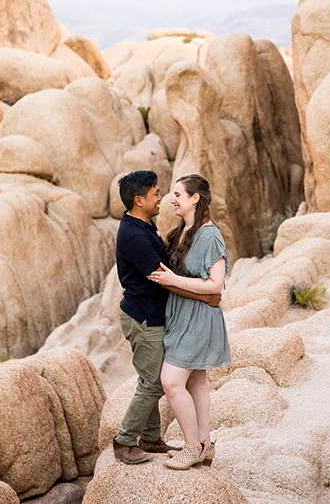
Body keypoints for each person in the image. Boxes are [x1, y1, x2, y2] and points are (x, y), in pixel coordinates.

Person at [112, 170, 221, 464]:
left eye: (169, 192)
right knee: (154, 382)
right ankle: (124, 442)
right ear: (139, 200)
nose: (161, 197)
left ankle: (150, 439)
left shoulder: (144, 224)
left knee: (156, 378)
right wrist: (207, 295)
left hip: (155, 315)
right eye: (156, 193)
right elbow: (165, 279)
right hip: (144, 317)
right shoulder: (134, 235)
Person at [147, 173, 231, 470]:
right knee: (195, 380)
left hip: (199, 318)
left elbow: (215, 285)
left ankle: (191, 446)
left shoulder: (209, 235)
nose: (173, 199)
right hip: (182, 315)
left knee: (170, 382)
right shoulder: (183, 230)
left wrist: (172, 279)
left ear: (195, 198)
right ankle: (205, 444)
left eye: (179, 195)